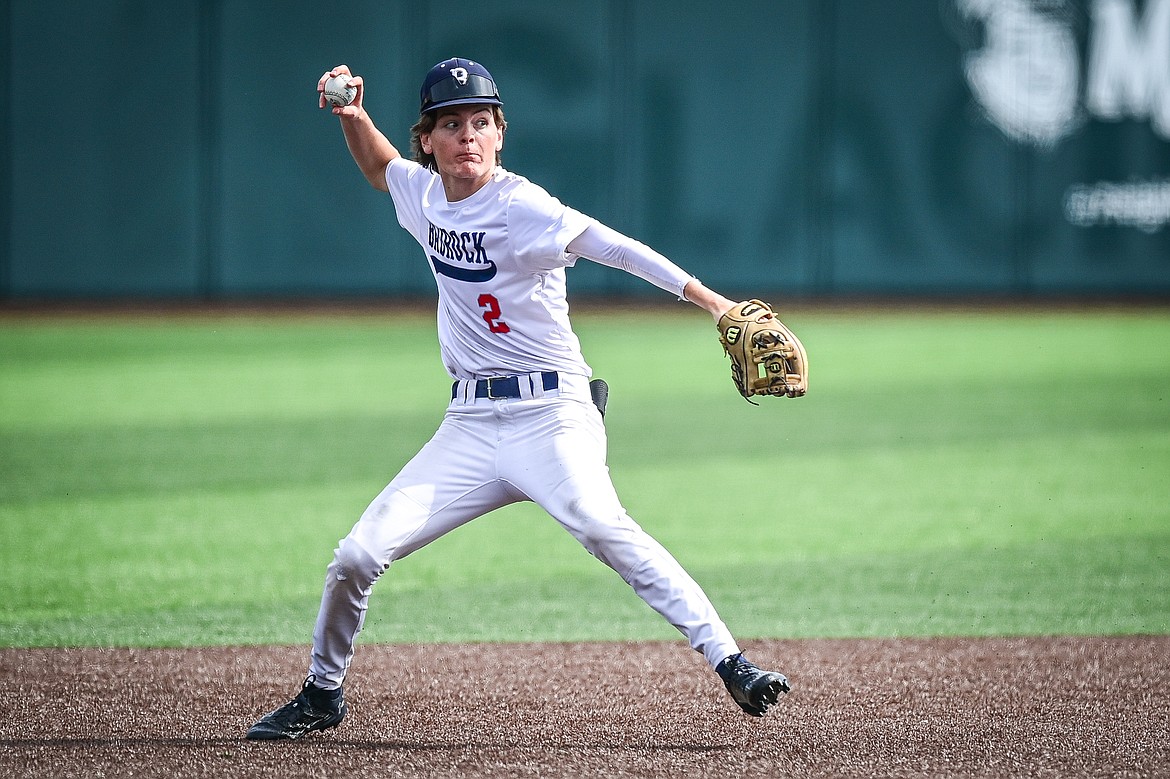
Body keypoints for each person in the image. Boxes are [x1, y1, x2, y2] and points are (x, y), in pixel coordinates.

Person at [246, 58, 789, 740]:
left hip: (553, 415)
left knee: (601, 525)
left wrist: (711, 303)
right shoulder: (423, 194)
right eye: (450, 124)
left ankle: (733, 662)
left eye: (480, 122)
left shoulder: (523, 207)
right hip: (469, 424)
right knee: (356, 555)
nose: (466, 135)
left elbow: (615, 249)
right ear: (429, 141)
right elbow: (379, 168)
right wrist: (354, 117)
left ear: (500, 134)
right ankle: (322, 693)